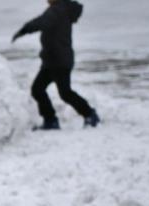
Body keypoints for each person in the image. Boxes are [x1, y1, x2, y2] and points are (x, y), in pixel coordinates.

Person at [12, 0, 100, 130]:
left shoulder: (57, 10)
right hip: (54, 60)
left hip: (58, 60)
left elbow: (41, 22)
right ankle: (51, 120)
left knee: (63, 93)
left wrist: (24, 30)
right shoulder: (61, 9)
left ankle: (89, 114)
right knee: (38, 89)